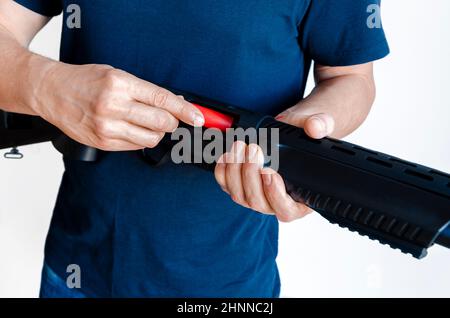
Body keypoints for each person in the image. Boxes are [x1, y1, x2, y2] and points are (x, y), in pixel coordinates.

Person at [0, 0, 389, 297]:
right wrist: (45, 85)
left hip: (233, 285)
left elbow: (351, 76)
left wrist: (304, 135)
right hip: (79, 272)